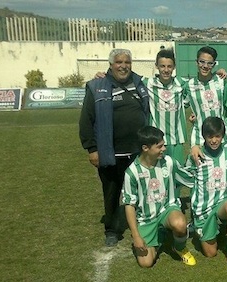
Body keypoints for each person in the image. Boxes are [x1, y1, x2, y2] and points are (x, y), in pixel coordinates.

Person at [79, 48, 149, 247]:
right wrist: (92, 149)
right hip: (111, 153)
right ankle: (111, 229)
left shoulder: (139, 83)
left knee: (140, 190)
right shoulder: (97, 86)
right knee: (111, 191)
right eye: (118, 62)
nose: (123, 66)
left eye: (127, 62)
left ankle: (143, 224)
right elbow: (86, 120)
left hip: (138, 152)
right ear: (110, 65)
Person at [122, 126, 196, 268]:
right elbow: (129, 205)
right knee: (146, 263)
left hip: (167, 210)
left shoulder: (168, 162)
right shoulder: (131, 173)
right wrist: (136, 236)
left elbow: (189, 176)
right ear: (145, 148)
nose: (164, 149)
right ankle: (160, 235)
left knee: (180, 224)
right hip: (146, 219)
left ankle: (179, 247)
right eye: (159, 146)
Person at [184, 117, 227, 273]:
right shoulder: (195, 156)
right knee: (211, 253)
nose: (214, 140)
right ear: (204, 136)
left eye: (217, 136)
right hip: (203, 210)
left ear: (223, 135)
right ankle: (207, 228)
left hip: (222, 203)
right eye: (210, 136)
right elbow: (186, 179)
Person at [143, 48, 189, 164]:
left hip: (177, 140)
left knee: (176, 174)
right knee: (157, 175)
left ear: (174, 67)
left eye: (169, 66)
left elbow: (201, 83)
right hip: (155, 141)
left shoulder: (182, 83)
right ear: (157, 66)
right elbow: (128, 76)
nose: (166, 70)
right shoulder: (148, 83)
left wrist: (218, 74)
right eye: (162, 66)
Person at [187, 46, 226, 164]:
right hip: (200, 138)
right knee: (200, 174)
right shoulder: (188, 85)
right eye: (202, 62)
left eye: (210, 63)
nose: (205, 66)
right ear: (197, 62)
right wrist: (192, 118)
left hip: (221, 137)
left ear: (214, 64)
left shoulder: (221, 80)